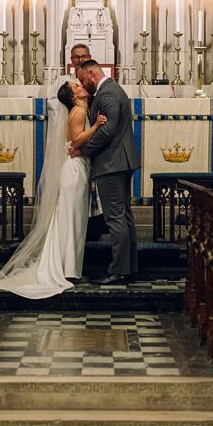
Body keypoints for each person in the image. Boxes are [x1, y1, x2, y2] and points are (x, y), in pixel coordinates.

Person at [0, 78, 107, 299]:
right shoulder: (79, 113)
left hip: (75, 168)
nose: (81, 86)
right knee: (72, 219)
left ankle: (67, 267)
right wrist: (96, 127)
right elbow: (76, 140)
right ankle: (66, 270)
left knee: (72, 219)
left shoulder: (79, 110)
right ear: (73, 96)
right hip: (74, 170)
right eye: (76, 87)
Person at [71, 59, 141, 284]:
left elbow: (108, 129)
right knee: (124, 216)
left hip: (112, 163)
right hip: (120, 162)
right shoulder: (111, 90)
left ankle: (118, 270)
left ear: (91, 73)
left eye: (82, 80)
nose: (83, 84)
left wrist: (83, 150)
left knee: (115, 217)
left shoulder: (108, 93)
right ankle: (129, 267)